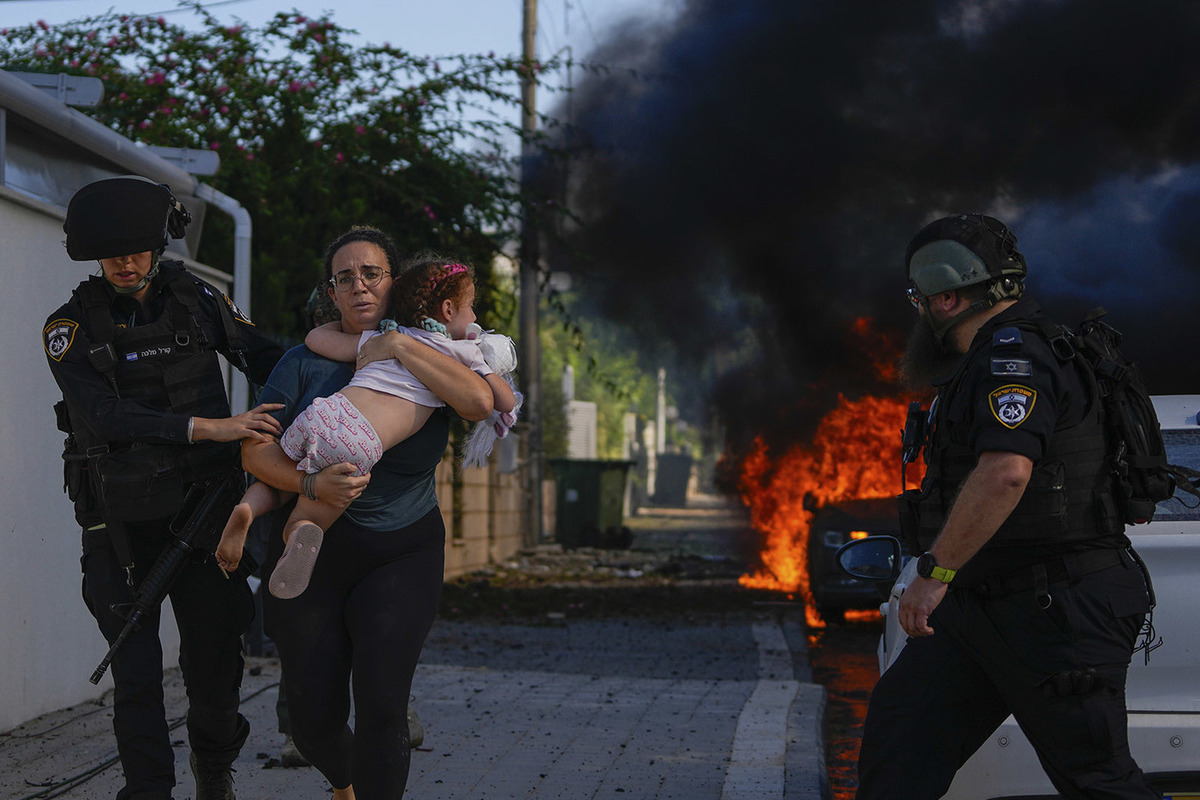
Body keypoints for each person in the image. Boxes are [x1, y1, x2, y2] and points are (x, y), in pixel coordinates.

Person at [856, 213, 1158, 799]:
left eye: (920, 298)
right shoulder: (987, 359)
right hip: (981, 609)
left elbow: (1005, 473)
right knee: (899, 752)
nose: (918, 311)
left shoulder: (1013, 358)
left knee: (1099, 781)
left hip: (1056, 610)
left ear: (946, 298)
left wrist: (935, 571)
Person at [44, 176, 287, 800]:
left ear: (158, 245)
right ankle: (148, 790)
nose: (127, 263)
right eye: (113, 252)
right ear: (93, 255)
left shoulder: (197, 300)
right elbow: (104, 415)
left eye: (138, 249)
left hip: (207, 512)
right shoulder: (70, 326)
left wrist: (337, 376)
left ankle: (213, 769)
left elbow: (266, 359)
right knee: (136, 673)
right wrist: (210, 427)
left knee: (214, 667)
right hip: (120, 522)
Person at [242, 227, 495, 800]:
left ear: (397, 283)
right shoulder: (302, 363)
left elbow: (481, 402)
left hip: (402, 549)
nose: (358, 287)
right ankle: (343, 784)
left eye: (371, 274)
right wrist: (310, 480)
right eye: (344, 278)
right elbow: (255, 451)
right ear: (330, 291)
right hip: (314, 553)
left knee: (383, 702)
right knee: (310, 723)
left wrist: (401, 346)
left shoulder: (434, 351)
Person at [214, 259, 518, 599]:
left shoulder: (386, 337)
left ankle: (247, 508)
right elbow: (502, 402)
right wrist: (491, 368)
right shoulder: (461, 355)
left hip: (324, 414)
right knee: (312, 511)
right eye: (471, 309)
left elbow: (317, 339)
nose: (474, 317)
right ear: (448, 309)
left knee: (282, 477)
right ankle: (301, 531)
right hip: (360, 442)